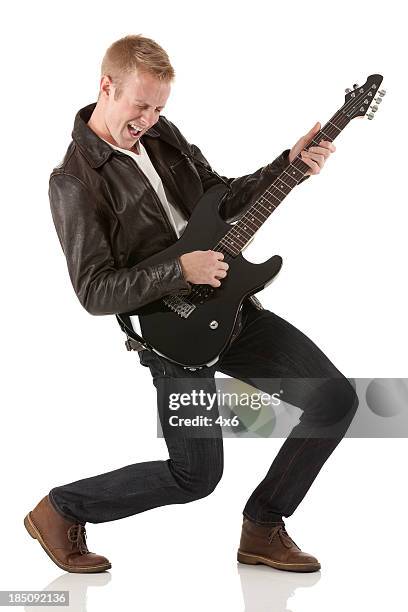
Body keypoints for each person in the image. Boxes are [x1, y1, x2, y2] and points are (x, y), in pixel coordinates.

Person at [24, 34, 357, 574]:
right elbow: (94, 290)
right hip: (172, 334)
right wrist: (180, 269)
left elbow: (219, 196)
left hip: (230, 308)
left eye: (160, 108)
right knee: (195, 477)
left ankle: (264, 527)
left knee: (334, 401)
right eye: (141, 105)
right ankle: (61, 508)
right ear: (107, 87)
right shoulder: (73, 182)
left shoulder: (162, 135)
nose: (150, 119)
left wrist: (288, 165)